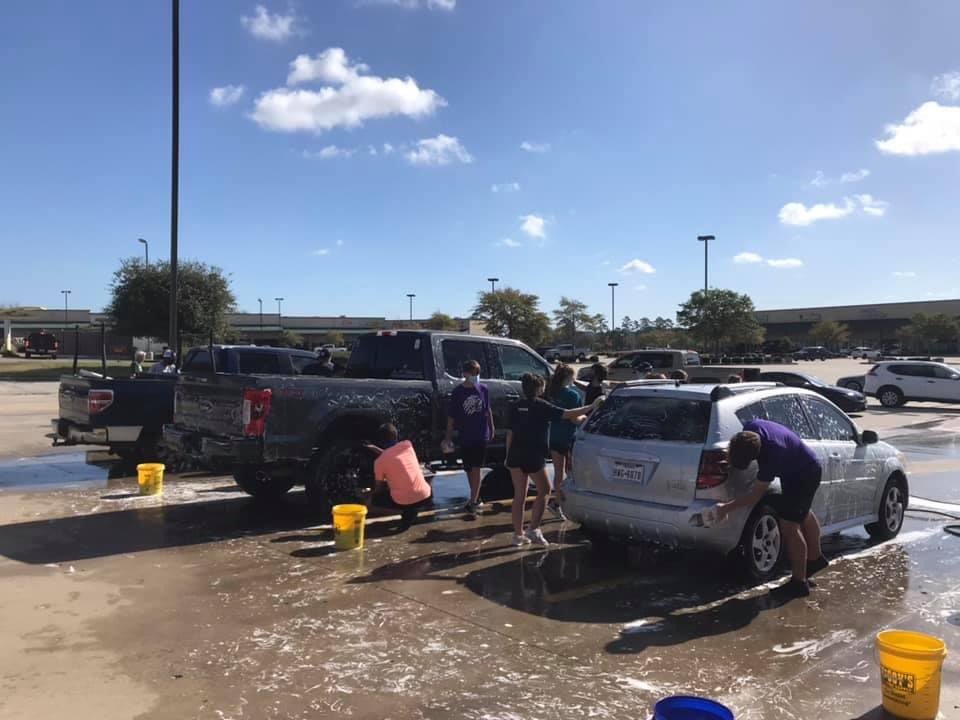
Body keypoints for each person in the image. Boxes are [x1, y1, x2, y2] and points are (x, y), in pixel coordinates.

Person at [717, 419, 828, 598]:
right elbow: (739, 448)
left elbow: (755, 496)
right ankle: (815, 560)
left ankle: (799, 583)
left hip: (806, 475)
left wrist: (726, 508)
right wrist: (731, 457)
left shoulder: (771, 458)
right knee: (803, 512)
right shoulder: (750, 428)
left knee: (790, 527)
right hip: (797, 467)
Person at [506, 373, 600, 547]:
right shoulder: (542, 406)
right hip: (533, 454)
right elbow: (569, 413)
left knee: (519, 495)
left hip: (515, 455)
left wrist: (507, 456)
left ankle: (518, 534)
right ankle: (533, 529)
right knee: (544, 490)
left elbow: (510, 433)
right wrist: (592, 406)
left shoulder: (515, 406)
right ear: (539, 388)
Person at [443, 360, 494, 514]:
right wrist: (448, 437)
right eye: (472, 374)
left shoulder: (483, 389)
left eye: (477, 374)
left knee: (477, 468)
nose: (475, 377)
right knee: (469, 468)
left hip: (480, 435)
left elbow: (487, 410)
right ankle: (475, 496)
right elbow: (452, 417)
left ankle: (473, 500)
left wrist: (491, 428)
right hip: (466, 435)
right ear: (465, 374)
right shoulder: (458, 392)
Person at [365, 424, 433, 531]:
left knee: (370, 503)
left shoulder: (379, 462)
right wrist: (375, 449)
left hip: (405, 501)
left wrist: (368, 494)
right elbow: (393, 456)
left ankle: (405, 512)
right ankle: (411, 510)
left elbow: (379, 487)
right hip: (426, 496)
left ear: (381, 440)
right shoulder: (408, 445)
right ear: (396, 435)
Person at [546, 365, 582, 520]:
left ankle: (557, 500)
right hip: (568, 437)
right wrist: (586, 418)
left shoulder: (551, 393)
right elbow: (575, 418)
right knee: (572, 472)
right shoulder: (573, 395)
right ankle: (558, 501)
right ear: (569, 377)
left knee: (558, 471)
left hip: (553, 436)